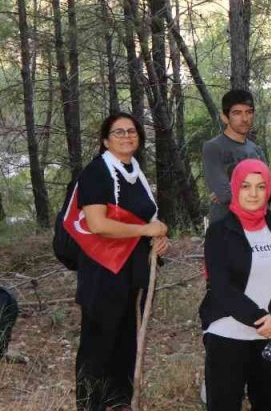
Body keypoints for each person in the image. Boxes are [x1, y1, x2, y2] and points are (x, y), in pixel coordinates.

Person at [73, 112, 171, 411]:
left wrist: (158, 239)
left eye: (132, 131)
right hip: (102, 274)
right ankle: (91, 405)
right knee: (99, 345)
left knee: (125, 341)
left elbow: (145, 218)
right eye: (118, 132)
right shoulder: (96, 172)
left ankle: (119, 402)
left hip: (131, 272)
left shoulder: (135, 172)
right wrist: (145, 230)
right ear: (105, 140)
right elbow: (97, 224)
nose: (127, 136)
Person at [201, 159, 271, 411]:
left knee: (267, 403)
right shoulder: (218, 232)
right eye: (245, 186)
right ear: (235, 188)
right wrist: (263, 320)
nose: (253, 194)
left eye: (260, 186)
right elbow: (221, 288)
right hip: (228, 333)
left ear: (268, 190)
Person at [203, 89, 271, 224]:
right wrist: (260, 187)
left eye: (249, 112)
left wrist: (233, 187)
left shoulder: (256, 150)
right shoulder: (213, 147)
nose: (245, 119)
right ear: (224, 117)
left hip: (256, 225)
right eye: (237, 113)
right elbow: (224, 194)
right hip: (225, 227)